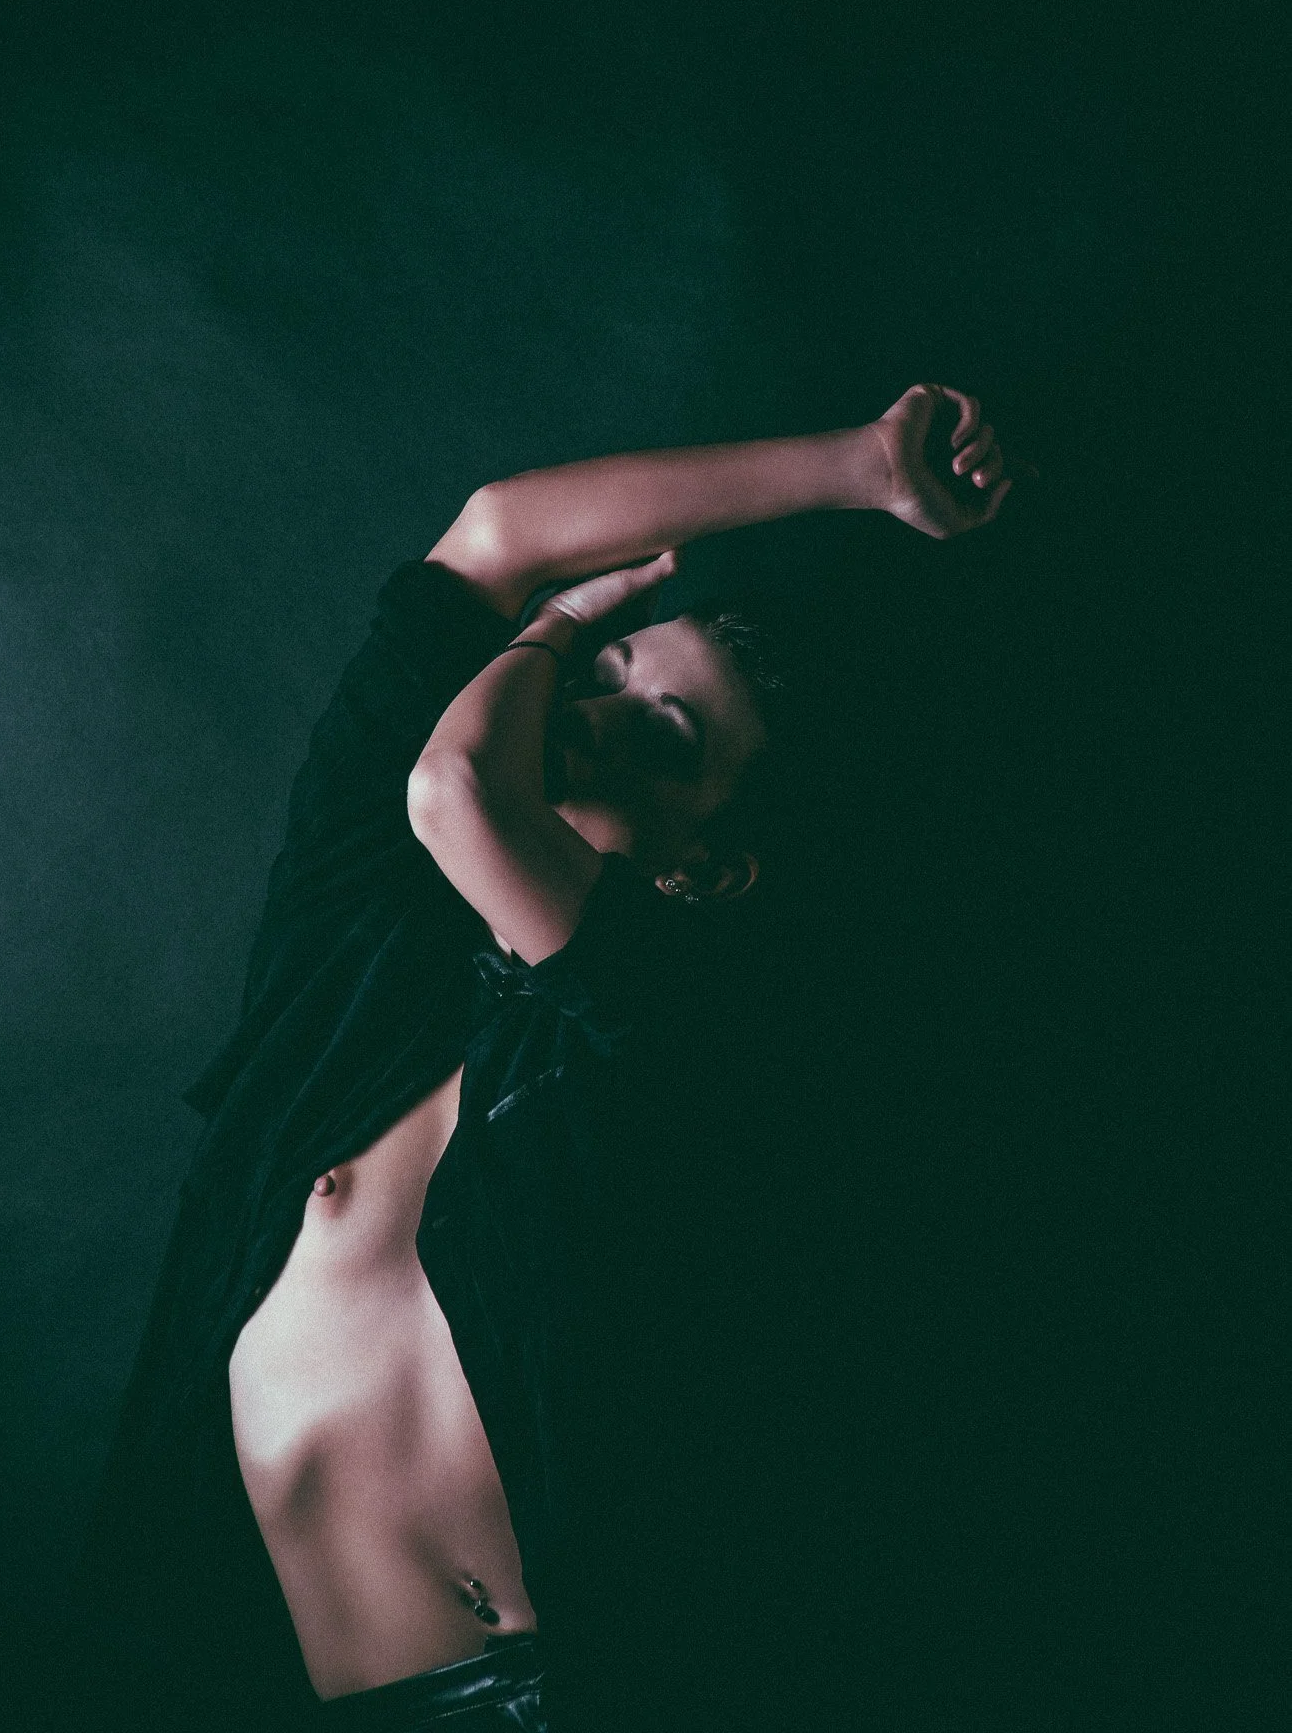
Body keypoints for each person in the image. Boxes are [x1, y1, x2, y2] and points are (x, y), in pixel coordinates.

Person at [67, 384, 1023, 1733]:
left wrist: (565, 629)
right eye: (612, 675)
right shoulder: (351, 933)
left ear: (704, 865)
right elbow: (493, 537)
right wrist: (865, 465)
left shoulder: (674, 1025)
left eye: (664, 739)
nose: (590, 715)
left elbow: (458, 791)